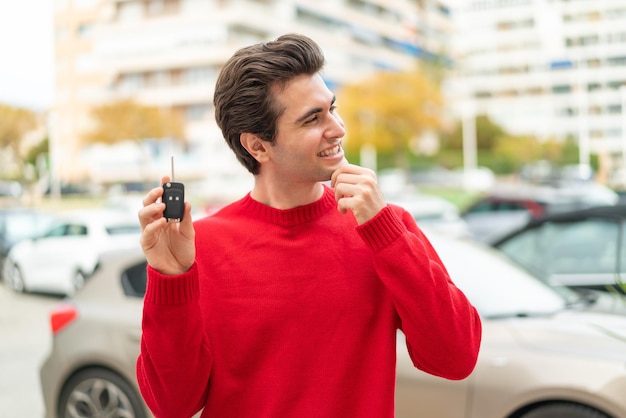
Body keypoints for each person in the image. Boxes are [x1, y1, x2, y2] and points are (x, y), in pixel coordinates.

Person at [136, 33, 481, 418]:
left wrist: (385, 233)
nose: (337, 128)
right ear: (258, 146)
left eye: (332, 108)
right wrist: (170, 276)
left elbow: (456, 358)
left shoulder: (385, 225)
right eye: (313, 119)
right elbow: (173, 405)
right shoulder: (202, 246)